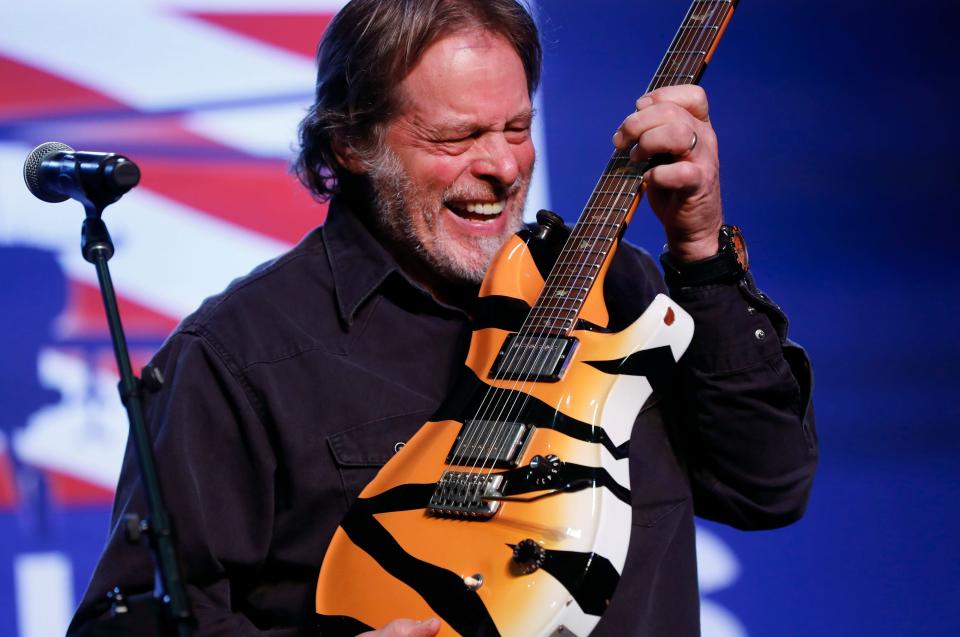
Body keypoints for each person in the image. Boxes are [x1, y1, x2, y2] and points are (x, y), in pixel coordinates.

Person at [68, 1, 817, 635]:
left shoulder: (617, 289)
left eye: (517, 129)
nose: (501, 166)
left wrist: (698, 247)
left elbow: (768, 486)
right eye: (457, 137)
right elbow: (129, 621)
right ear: (351, 144)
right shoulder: (239, 355)